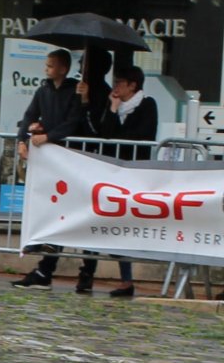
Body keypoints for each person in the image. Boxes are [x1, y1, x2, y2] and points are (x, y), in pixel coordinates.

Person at [12, 48, 90, 291]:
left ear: (63, 68)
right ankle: (45, 266)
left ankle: (81, 271)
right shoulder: (43, 89)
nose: (46, 69)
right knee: (53, 210)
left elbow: (73, 122)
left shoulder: (74, 91)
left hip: (70, 158)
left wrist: (49, 136)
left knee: (71, 213)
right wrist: (22, 140)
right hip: (50, 161)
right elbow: (29, 115)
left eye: (50, 65)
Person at [94, 63, 158, 298]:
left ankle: (128, 277)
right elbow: (106, 135)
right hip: (115, 172)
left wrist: (119, 134)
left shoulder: (147, 104)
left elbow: (141, 135)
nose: (116, 86)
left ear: (133, 85)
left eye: (120, 82)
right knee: (116, 222)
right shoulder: (115, 106)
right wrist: (113, 107)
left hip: (137, 172)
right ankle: (125, 279)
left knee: (129, 223)